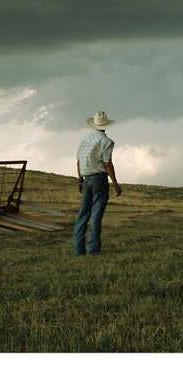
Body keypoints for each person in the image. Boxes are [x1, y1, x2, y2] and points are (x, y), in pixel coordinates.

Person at [73, 110, 123, 256]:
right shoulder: (107, 142)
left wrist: (80, 180)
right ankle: (93, 250)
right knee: (96, 216)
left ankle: (78, 251)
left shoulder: (84, 141)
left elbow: (78, 162)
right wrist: (115, 183)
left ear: (94, 125)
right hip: (99, 179)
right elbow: (107, 164)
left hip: (86, 178)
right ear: (106, 126)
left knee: (82, 215)